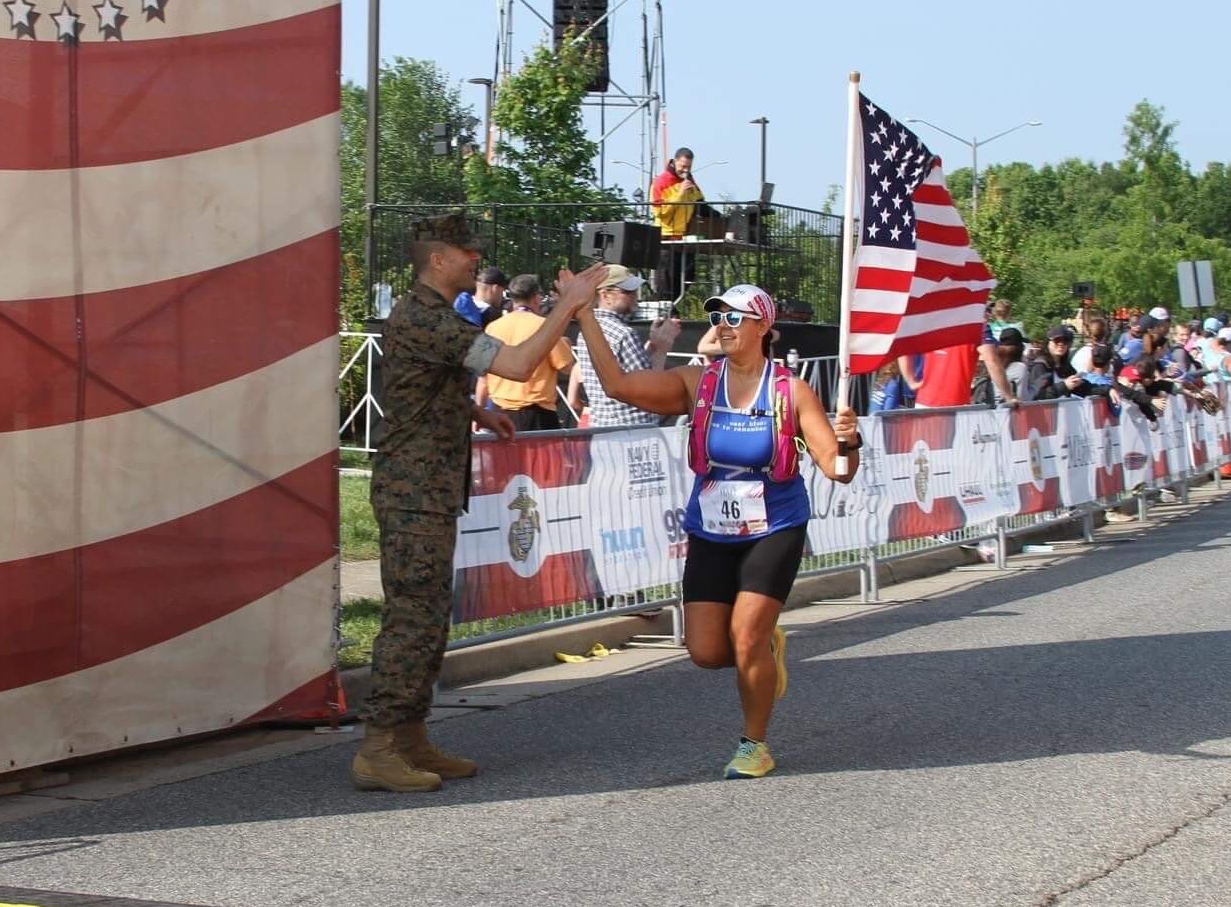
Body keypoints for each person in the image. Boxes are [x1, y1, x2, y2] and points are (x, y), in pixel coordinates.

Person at [360, 214, 609, 793]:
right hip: (413, 491)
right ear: (438, 260)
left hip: (430, 488)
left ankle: (409, 736)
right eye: (465, 250)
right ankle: (377, 747)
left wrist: (476, 412)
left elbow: (430, 380)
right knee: (410, 621)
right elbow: (519, 366)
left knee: (427, 619)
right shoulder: (425, 316)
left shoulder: (435, 316)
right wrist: (567, 305)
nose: (476, 257)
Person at [573, 284, 861, 780]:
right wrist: (582, 314)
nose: (722, 326)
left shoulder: (790, 391)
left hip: (775, 526)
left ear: (763, 328)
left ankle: (755, 744)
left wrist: (850, 442)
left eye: (735, 318)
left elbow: (837, 469)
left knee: (745, 637)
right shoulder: (697, 382)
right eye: (718, 317)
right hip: (712, 528)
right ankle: (768, 651)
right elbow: (617, 386)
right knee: (707, 652)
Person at [569, 266, 678, 427]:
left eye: (635, 290)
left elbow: (627, 372)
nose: (635, 296)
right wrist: (662, 347)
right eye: (628, 292)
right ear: (605, 295)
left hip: (601, 426)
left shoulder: (585, 332)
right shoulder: (623, 333)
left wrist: (653, 345)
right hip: (633, 431)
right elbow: (649, 387)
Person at [477, 273, 572, 432]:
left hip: (499, 413)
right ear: (536, 298)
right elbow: (567, 367)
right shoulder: (547, 327)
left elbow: (482, 377)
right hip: (537, 415)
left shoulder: (492, 327)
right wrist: (565, 345)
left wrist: (479, 412)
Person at [650, 148, 701, 239]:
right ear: (675, 161)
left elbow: (699, 203)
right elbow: (659, 212)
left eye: (689, 167)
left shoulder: (689, 180)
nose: (686, 170)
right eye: (683, 166)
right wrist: (680, 193)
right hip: (665, 235)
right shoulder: (661, 181)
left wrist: (720, 216)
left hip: (685, 235)